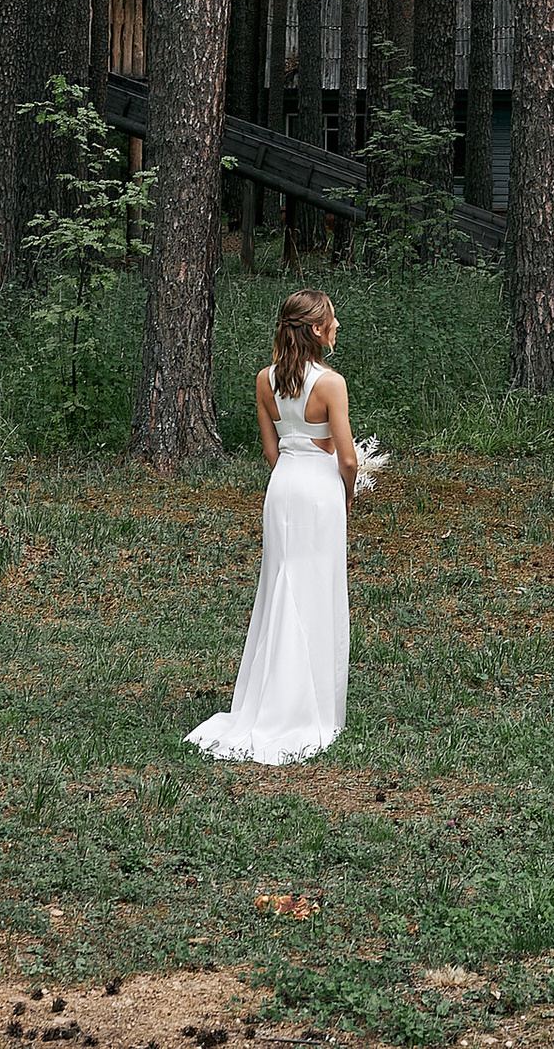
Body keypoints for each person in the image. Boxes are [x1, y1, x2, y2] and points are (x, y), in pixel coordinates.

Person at [188, 287, 382, 765]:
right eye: (332, 320)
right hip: (319, 491)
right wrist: (348, 494)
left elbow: (272, 452)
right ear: (317, 330)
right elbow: (349, 459)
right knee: (317, 590)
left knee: (279, 587)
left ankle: (267, 697)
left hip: (282, 490)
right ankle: (307, 705)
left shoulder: (264, 380)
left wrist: (293, 469)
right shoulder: (331, 384)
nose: (338, 326)